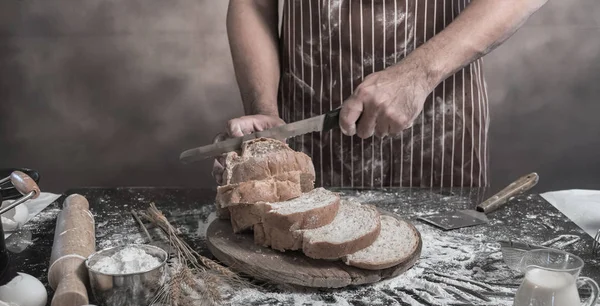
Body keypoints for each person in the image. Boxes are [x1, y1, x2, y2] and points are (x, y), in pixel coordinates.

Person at [213, 0, 547, 188]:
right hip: (306, 127)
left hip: (440, 123)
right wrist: (265, 111)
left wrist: (417, 74)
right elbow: (253, 4)